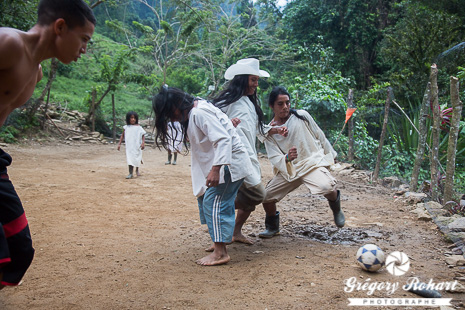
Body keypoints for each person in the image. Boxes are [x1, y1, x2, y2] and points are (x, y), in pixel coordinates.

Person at [0, 0, 95, 289]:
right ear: (60, 27)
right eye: (83, 39)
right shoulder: (8, 43)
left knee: (18, 249)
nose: (84, 49)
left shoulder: (36, 73)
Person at [153, 86, 253, 266]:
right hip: (223, 161)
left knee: (214, 202)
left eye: (169, 112)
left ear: (176, 105)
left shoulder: (198, 113)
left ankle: (220, 252)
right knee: (207, 199)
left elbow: (223, 139)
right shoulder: (196, 110)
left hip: (230, 163)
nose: (171, 117)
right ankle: (219, 241)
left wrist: (216, 169)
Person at [258, 86, 345, 238]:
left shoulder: (301, 116)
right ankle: (272, 227)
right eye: (280, 104)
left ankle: (336, 206)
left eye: (287, 102)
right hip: (290, 169)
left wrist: (330, 153)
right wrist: (286, 158)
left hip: (311, 163)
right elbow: (273, 156)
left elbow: (319, 134)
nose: (285, 107)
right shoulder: (269, 131)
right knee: (266, 197)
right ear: (272, 106)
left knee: (326, 186)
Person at [210, 58, 270, 246]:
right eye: (253, 80)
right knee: (258, 194)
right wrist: (228, 124)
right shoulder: (226, 101)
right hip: (232, 157)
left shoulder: (251, 103)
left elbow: (256, 128)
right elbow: (211, 122)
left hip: (250, 155)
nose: (256, 84)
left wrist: (273, 130)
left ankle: (234, 231)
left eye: (257, 80)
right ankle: (214, 208)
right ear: (242, 79)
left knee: (250, 202)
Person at [117, 111, 146, 179]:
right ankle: (130, 173)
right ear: (128, 119)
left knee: (137, 158)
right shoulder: (126, 127)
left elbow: (143, 135)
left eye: (134, 118)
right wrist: (119, 144)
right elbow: (122, 136)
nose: (133, 119)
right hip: (129, 147)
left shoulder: (138, 127)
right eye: (131, 118)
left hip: (137, 146)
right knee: (130, 159)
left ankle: (137, 170)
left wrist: (143, 143)